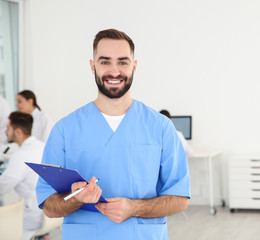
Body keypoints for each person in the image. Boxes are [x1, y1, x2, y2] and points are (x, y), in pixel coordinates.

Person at [36, 29, 190, 239]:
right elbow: (48, 206)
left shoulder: (161, 127)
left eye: (123, 62)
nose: (114, 72)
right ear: (93, 67)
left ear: (134, 67)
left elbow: (180, 198)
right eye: (105, 62)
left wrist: (135, 208)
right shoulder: (65, 130)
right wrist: (76, 199)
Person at [0, 112, 44, 240]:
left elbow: (3, 187)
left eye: (8, 128)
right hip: (46, 212)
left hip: (32, 217)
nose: (5, 132)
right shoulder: (41, 146)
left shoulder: (21, 156)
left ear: (18, 131)